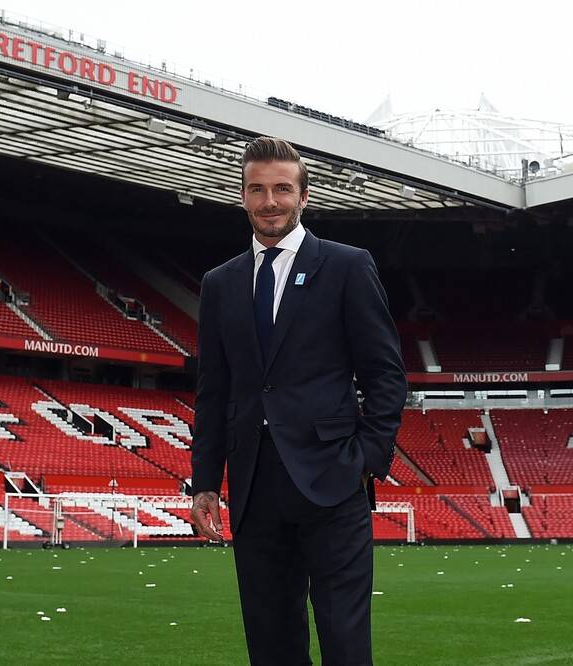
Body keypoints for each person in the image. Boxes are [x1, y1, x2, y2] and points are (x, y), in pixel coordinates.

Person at [190, 136, 407, 665]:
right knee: (271, 644)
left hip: (334, 481)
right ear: (242, 196)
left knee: (345, 641)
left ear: (304, 196)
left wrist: (368, 459)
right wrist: (204, 483)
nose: (270, 201)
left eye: (282, 189)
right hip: (254, 486)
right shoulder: (220, 284)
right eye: (257, 189)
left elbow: (384, 373)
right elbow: (213, 392)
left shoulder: (348, 266)